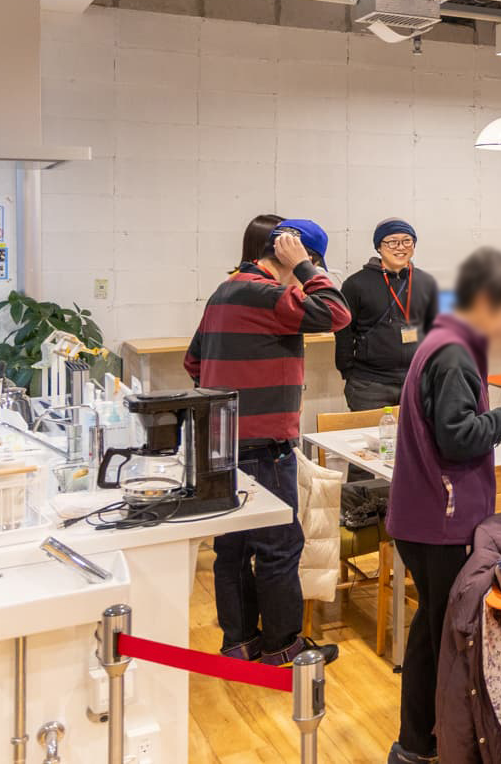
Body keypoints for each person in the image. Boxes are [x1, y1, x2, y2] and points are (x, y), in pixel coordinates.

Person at [385, 247, 501, 764]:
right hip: (442, 521)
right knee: (452, 640)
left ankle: (418, 744)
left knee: (432, 631)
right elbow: (458, 438)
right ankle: (449, 747)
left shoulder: (446, 341)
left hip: (426, 516)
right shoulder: (454, 353)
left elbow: (458, 427)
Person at [186, 218, 350, 666]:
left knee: (233, 549)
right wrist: (306, 269)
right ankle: (282, 647)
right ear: (297, 255)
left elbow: (193, 361)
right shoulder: (268, 294)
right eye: (312, 263)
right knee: (278, 548)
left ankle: (239, 644)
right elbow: (336, 314)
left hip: (221, 444)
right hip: (264, 446)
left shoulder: (224, 291)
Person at [335, 218, 439, 412]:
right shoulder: (356, 284)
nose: (400, 247)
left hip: (417, 380)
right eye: (392, 242)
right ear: (379, 247)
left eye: (407, 241)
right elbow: (343, 331)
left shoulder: (426, 282)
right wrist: (347, 371)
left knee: (418, 432)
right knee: (371, 433)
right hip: (370, 385)